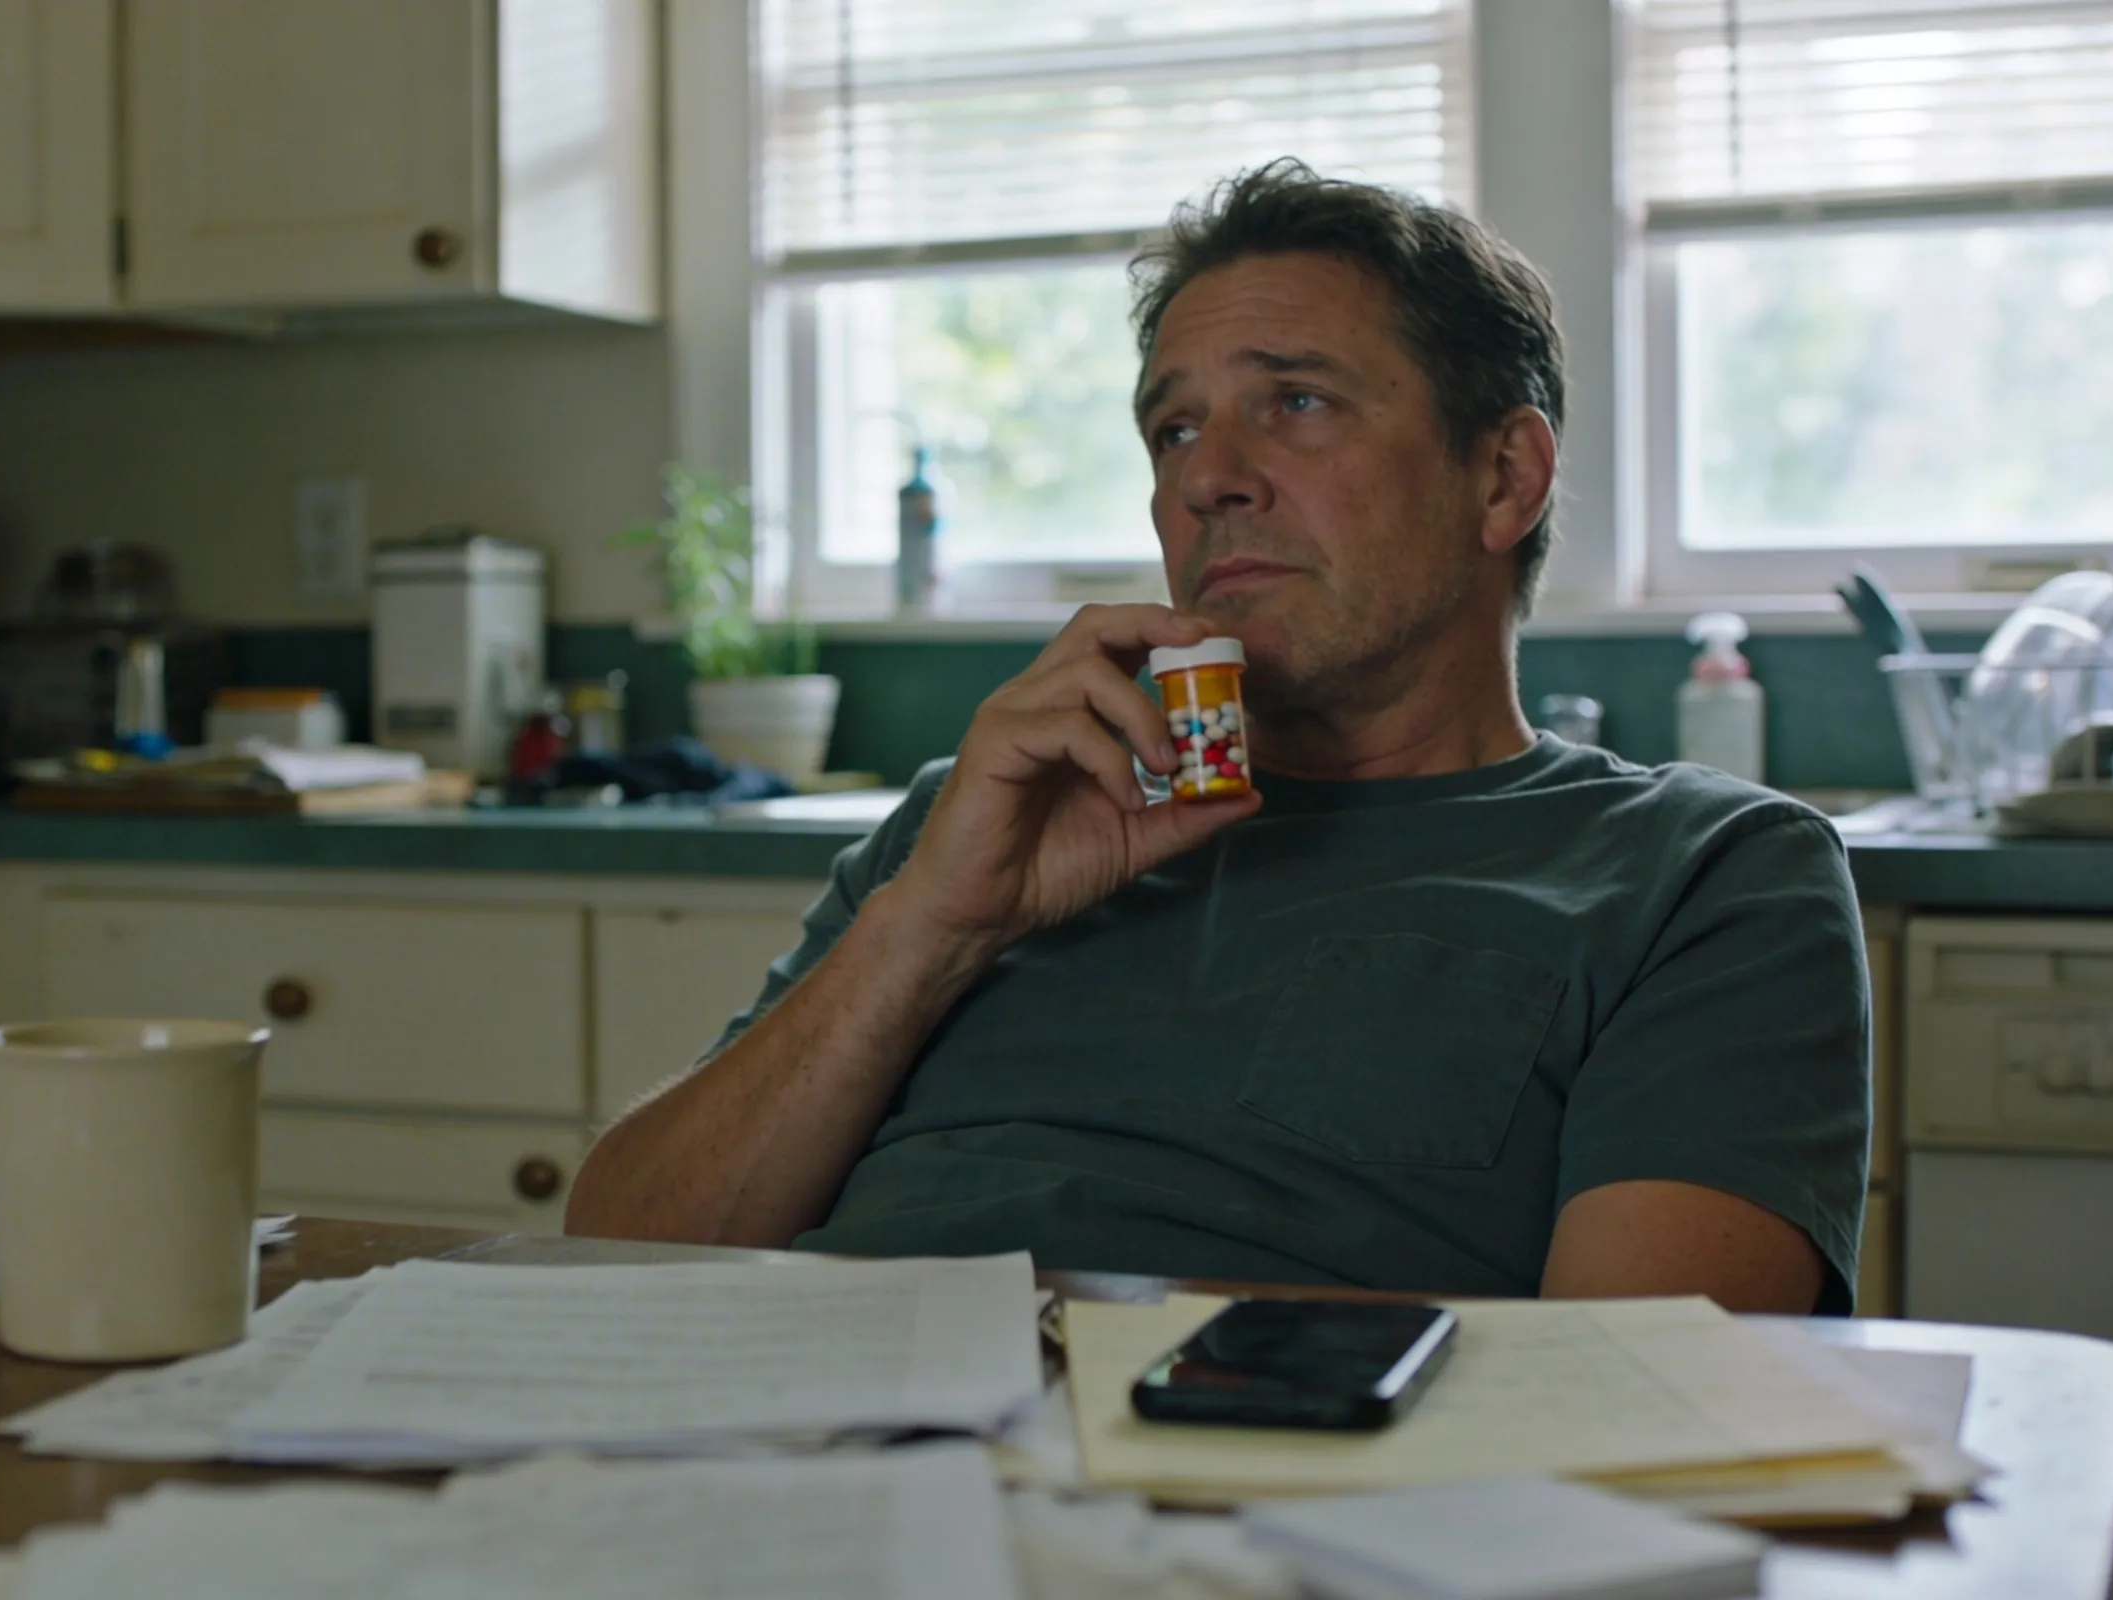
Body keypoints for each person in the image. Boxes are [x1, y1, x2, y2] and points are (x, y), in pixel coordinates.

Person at [565, 160, 1869, 1315]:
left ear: (1504, 478)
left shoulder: (1705, 877)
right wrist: (933, 925)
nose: (1205, 477)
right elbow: (621, 1263)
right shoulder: (982, 824)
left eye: (1294, 403)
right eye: (1174, 426)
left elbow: (1637, 1416)